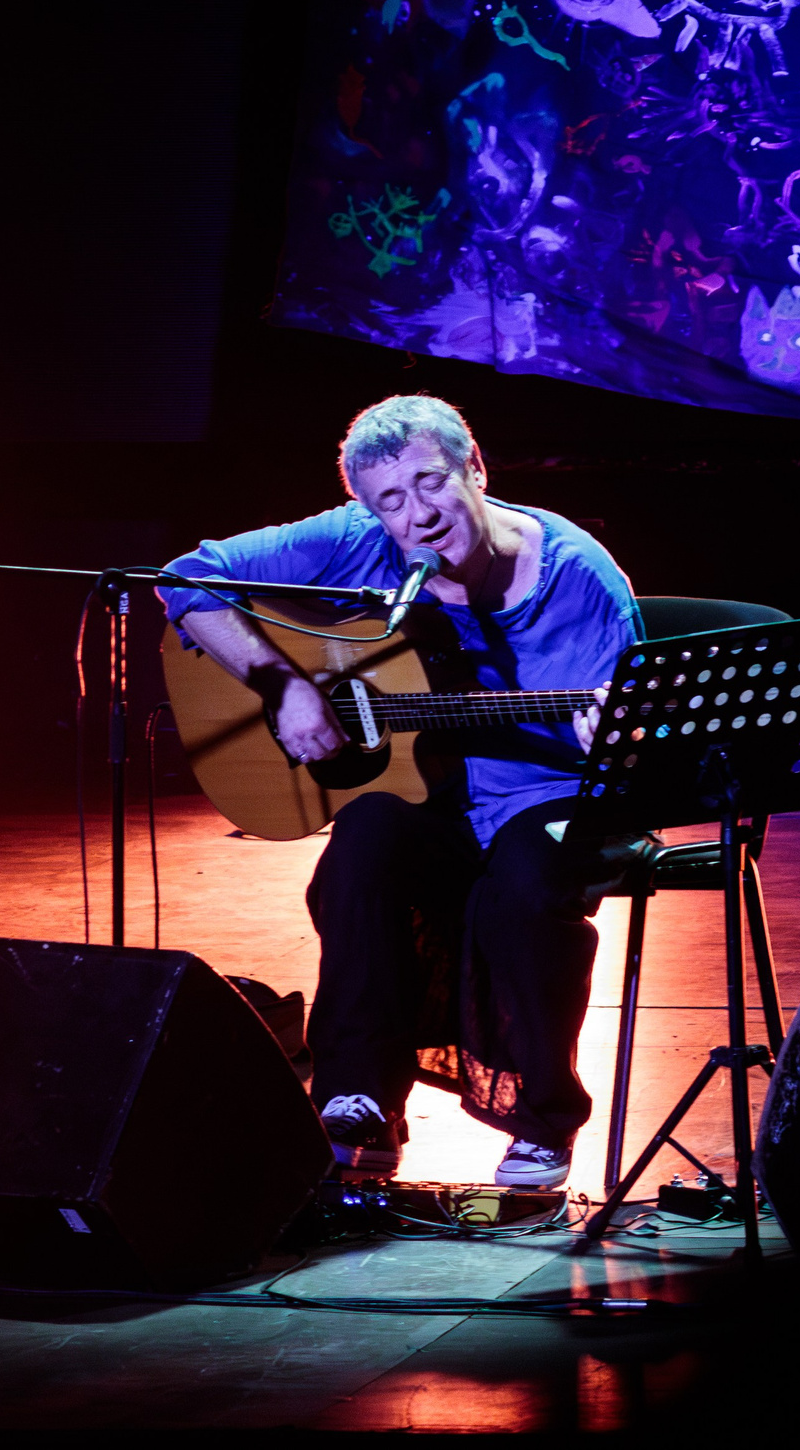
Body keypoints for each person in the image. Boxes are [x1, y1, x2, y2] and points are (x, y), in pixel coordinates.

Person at [161, 395, 639, 1188]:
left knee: (528, 880)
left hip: (545, 795)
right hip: (434, 793)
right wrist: (284, 684)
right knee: (365, 839)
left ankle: (542, 1119)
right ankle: (357, 1097)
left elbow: (625, 756)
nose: (417, 514)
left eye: (431, 482)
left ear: (475, 468)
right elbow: (186, 579)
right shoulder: (359, 539)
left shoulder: (578, 574)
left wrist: (617, 741)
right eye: (391, 499)